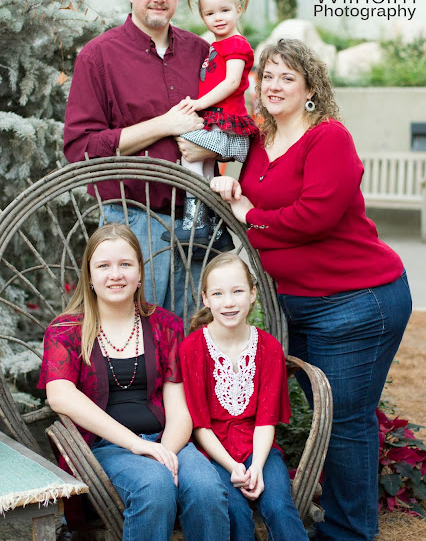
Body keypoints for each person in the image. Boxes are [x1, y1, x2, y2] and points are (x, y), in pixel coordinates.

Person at [208, 39, 412, 541]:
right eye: (268, 76)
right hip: (298, 304)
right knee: (328, 418)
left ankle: (349, 533)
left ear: (310, 89)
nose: (274, 86)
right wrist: (231, 186)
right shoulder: (261, 140)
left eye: (287, 78)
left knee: (344, 421)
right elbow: (244, 187)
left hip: (357, 300)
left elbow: (315, 215)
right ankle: (342, 522)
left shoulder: (328, 138)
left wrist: (250, 217)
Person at [63, 0, 233, 316]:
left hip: (197, 219)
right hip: (131, 220)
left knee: (195, 330)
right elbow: (80, 148)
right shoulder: (98, 56)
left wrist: (211, 147)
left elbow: (233, 126)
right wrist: (164, 125)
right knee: (139, 332)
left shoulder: (201, 52)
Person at [38, 223, 229, 541]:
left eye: (125, 264)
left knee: (207, 488)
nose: (115, 274)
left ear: (139, 273)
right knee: (153, 486)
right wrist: (136, 445)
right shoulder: (66, 330)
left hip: (167, 440)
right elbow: (60, 395)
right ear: (89, 276)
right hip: (103, 448)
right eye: (104, 266)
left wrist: (163, 452)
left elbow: (180, 409)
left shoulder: (165, 324)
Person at [179, 253, 309, 541]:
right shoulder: (192, 349)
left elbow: (265, 420)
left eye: (237, 291)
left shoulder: (269, 348)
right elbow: (200, 426)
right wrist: (233, 467)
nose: (228, 302)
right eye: (218, 293)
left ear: (252, 294)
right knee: (235, 512)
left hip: (258, 447)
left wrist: (257, 467)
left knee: (279, 507)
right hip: (212, 451)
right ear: (205, 299)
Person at [161, 0, 257, 245]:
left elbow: (232, 82)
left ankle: (196, 218)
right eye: (210, 13)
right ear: (202, 17)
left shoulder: (236, 44)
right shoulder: (214, 46)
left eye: (225, 10)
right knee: (204, 168)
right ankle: (211, 218)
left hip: (226, 120)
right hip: (215, 118)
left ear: (238, 10)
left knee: (190, 156)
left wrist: (199, 103)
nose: (218, 18)